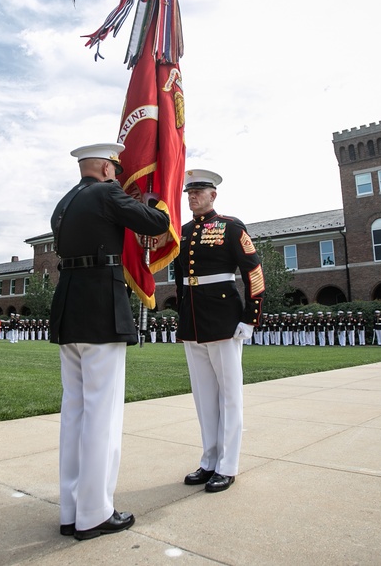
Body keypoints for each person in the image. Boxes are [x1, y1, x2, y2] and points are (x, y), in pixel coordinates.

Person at [49, 142, 169, 541]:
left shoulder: (63, 204)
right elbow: (152, 223)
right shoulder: (107, 192)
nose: (118, 174)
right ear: (104, 167)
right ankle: (96, 512)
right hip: (101, 309)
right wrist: (159, 200)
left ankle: (72, 510)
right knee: (102, 414)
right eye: (115, 169)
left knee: (75, 413)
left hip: (70, 310)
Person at [174, 169, 264, 495]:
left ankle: (227, 465)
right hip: (193, 321)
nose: (192, 196)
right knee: (203, 397)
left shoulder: (231, 227)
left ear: (213, 195)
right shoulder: (182, 232)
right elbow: (181, 280)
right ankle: (209, 459)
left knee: (229, 396)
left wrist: (250, 317)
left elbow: (253, 272)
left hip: (225, 320)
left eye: (199, 191)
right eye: (189, 192)